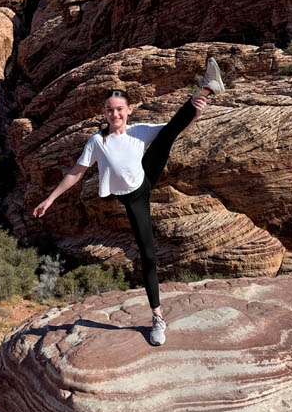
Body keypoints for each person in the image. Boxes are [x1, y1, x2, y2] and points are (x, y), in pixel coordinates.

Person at [33, 57, 225, 346]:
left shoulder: (139, 131)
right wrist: (50, 199)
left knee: (168, 134)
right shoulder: (97, 142)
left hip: (147, 175)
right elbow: (76, 172)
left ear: (129, 110)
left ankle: (207, 89)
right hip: (133, 199)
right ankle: (157, 316)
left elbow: (177, 130)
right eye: (110, 110)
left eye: (120, 109)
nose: (115, 114)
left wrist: (195, 114)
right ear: (104, 112)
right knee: (147, 257)